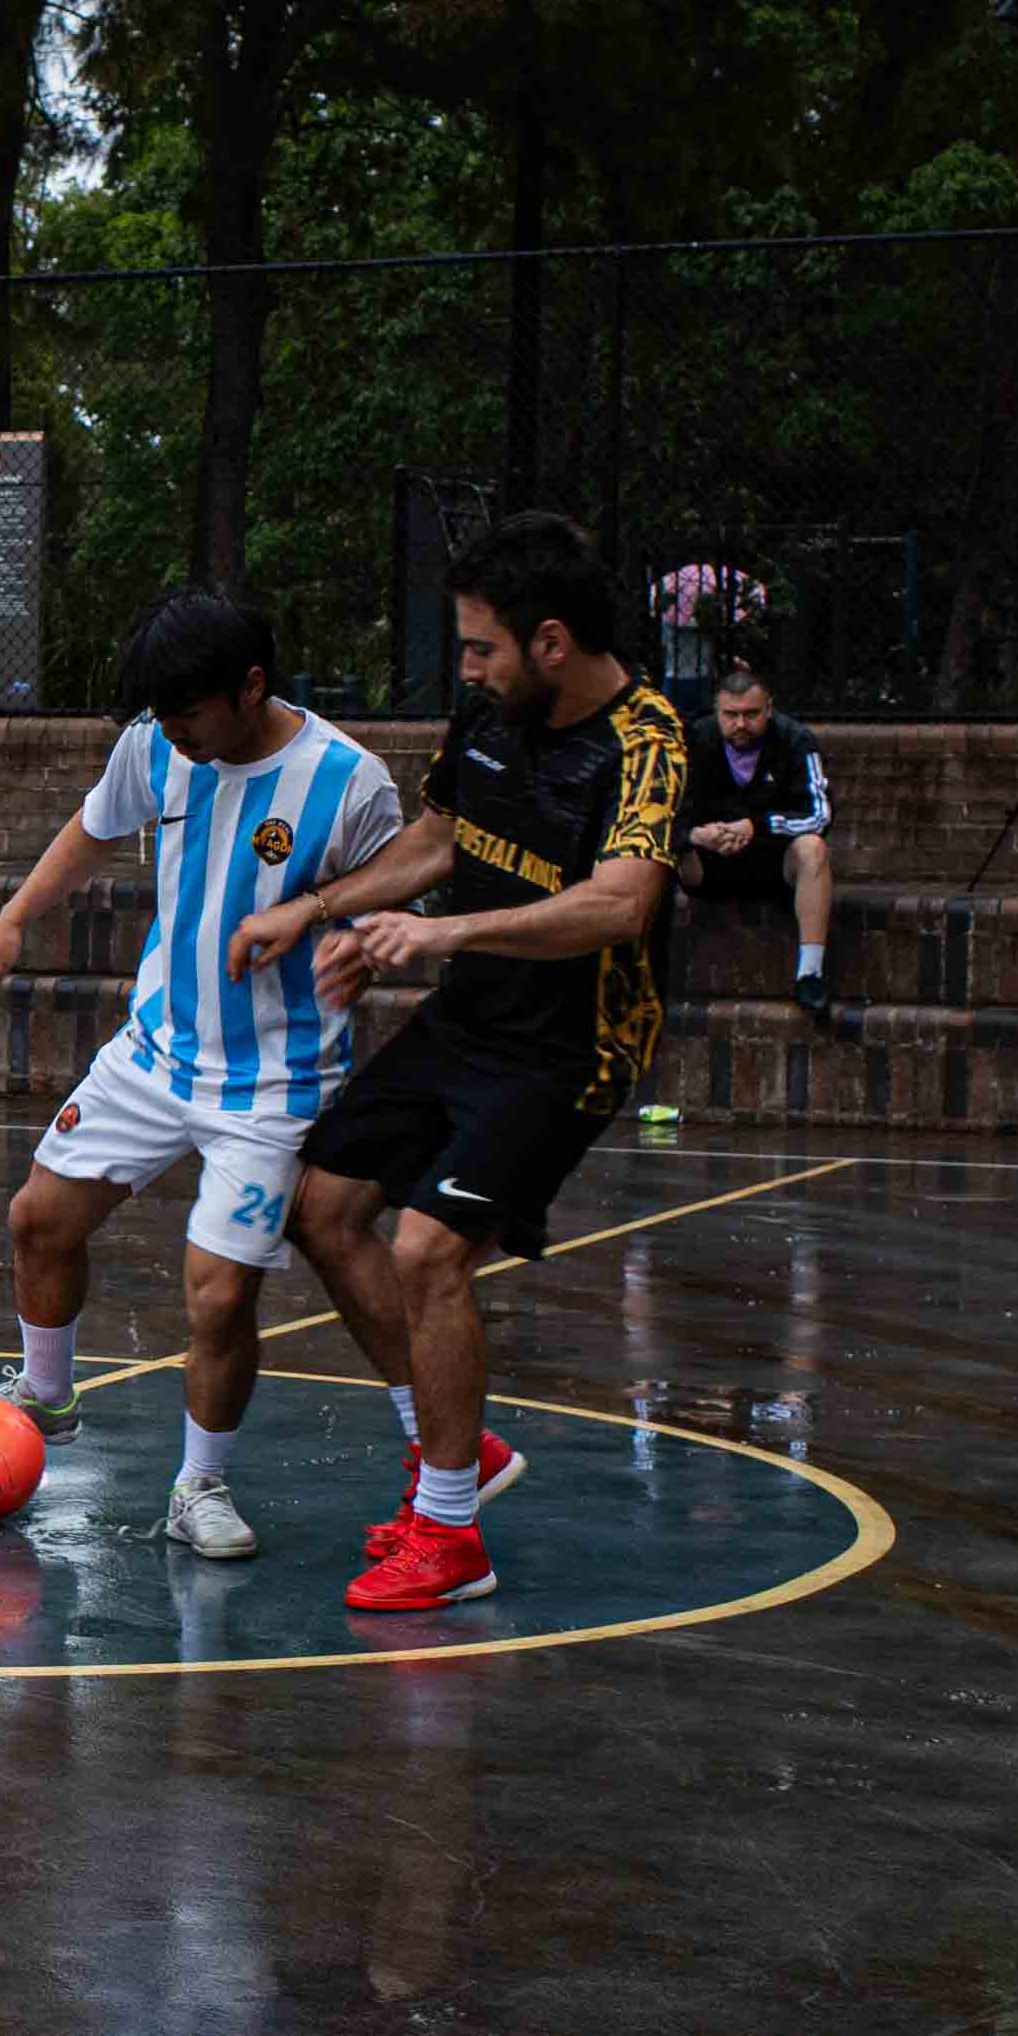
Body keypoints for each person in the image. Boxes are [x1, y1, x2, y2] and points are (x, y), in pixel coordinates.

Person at [238, 511, 686, 1616]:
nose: (469, 668)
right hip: (471, 1018)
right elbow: (436, 840)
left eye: (483, 647)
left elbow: (621, 905)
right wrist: (319, 909)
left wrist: (441, 935)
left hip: (571, 1046)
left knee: (430, 1250)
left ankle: (449, 1538)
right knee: (321, 1208)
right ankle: (453, 1450)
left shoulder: (648, 740)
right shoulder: (491, 716)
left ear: (550, 642)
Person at [0, 590, 403, 1561]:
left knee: (218, 1296)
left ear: (251, 686)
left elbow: (398, 893)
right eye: (158, 716)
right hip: (156, 1052)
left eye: (186, 712)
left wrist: (357, 940)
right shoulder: (155, 746)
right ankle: (48, 1393)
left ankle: (200, 1485)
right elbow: (92, 827)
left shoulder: (349, 782)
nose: (170, 733)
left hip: (274, 1083)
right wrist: (13, 918)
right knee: (39, 1218)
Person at [678, 664, 845, 1034]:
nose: (741, 724)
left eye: (751, 714)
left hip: (774, 862)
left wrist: (758, 826)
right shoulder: (692, 741)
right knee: (660, 851)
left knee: (813, 849)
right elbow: (661, 811)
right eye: (730, 715)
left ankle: (810, 975)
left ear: (769, 708)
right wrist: (695, 836)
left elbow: (820, 815)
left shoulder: (796, 740)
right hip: (707, 863)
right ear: (716, 711)